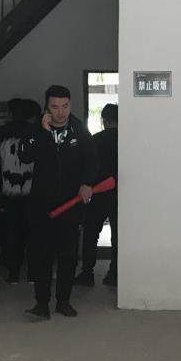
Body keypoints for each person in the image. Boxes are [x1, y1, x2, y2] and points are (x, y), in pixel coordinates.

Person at [21, 84, 97, 319]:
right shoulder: (36, 129)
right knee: (42, 255)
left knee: (68, 255)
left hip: (71, 203)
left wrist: (87, 183)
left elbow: (91, 159)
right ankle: (41, 304)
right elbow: (25, 155)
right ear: (47, 107)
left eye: (65, 106)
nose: (60, 112)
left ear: (70, 105)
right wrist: (43, 133)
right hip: (42, 203)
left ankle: (63, 301)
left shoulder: (79, 129)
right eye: (54, 107)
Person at [0, 98, 39, 284]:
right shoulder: (38, 132)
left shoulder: (2, 132)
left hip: (9, 189)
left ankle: (13, 274)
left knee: (12, 230)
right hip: (33, 191)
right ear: (34, 116)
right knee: (34, 233)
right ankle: (33, 274)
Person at [77, 102, 118, 287]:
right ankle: (114, 274)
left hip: (97, 193)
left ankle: (87, 273)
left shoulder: (95, 140)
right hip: (119, 194)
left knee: (91, 234)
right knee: (118, 235)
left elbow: (85, 166)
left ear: (104, 120)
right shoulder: (127, 141)